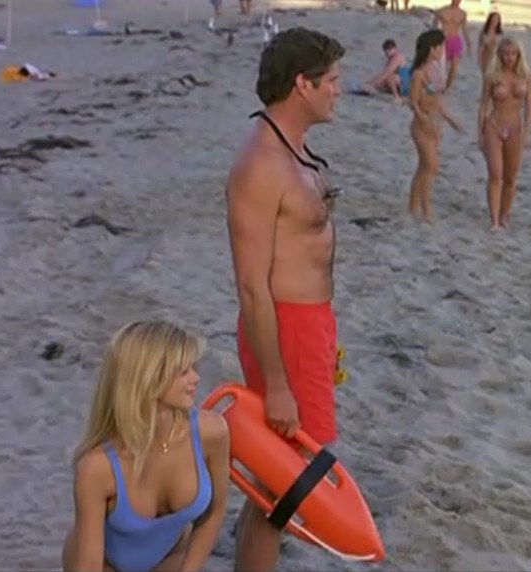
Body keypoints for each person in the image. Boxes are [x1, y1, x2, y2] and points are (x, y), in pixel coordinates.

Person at [225, 26, 345, 572]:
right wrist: (276, 383)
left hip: (309, 325)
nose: (338, 90)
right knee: (283, 487)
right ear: (302, 84)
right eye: (331, 80)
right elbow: (252, 287)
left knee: (280, 485)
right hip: (285, 330)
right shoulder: (261, 165)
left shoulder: (293, 149)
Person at [61, 320, 230, 572]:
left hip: (173, 558)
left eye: (192, 368)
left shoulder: (212, 432)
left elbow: (214, 512)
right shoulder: (97, 467)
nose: (196, 378)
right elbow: (89, 565)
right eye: (183, 372)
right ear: (148, 378)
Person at [478, 36, 531, 232]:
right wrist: (480, 133)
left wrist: (527, 133)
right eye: (505, 54)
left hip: (515, 129)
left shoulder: (526, 76)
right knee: (496, 174)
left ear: (519, 55)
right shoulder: (493, 75)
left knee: (510, 177)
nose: (509, 58)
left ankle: (504, 216)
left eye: (513, 54)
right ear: (500, 54)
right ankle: (494, 220)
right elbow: (483, 105)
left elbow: (530, 107)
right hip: (494, 126)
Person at [408, 29, 462, 223]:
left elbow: (437, 101)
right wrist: (422, 117)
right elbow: (413, 102)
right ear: (432, 49)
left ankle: (413, 207)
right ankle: (426, 209)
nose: (442, 51)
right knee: (431, 165)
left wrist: (450, 119)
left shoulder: (436, 71)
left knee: (424, 168)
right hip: (422, 125)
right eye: (440, 47)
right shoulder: (419, 74)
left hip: (435, 121)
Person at [433, 0, 472, 91]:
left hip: (455, 40)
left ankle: (448, 86)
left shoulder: (462, 13)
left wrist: (468, 43)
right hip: (443, 40)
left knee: (454, 66)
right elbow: (434, 26)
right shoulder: (442, 11)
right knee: (442, 65)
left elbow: (465, 29)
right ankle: (440, 84)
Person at [363, 39, 412, 103]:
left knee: (389, 78)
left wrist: (371, 84)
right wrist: (370, 83)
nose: (388, 52)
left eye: (390, 49)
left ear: (395, 48)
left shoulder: (397, 57)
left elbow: (386, 73)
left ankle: (397, 98)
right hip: (398, 83)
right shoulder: (390, 59)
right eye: (386, 50)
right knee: (380, 84)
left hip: (404, 84)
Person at [478, 11, 503, 75]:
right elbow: (480, 47)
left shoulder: (500, 34)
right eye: (493, 19)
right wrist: (479, 59)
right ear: (490, 19)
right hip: (486, 57)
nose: (495, 21)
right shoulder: (483, 33)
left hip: (497, 58)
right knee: (486, 75)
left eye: (497, 19)